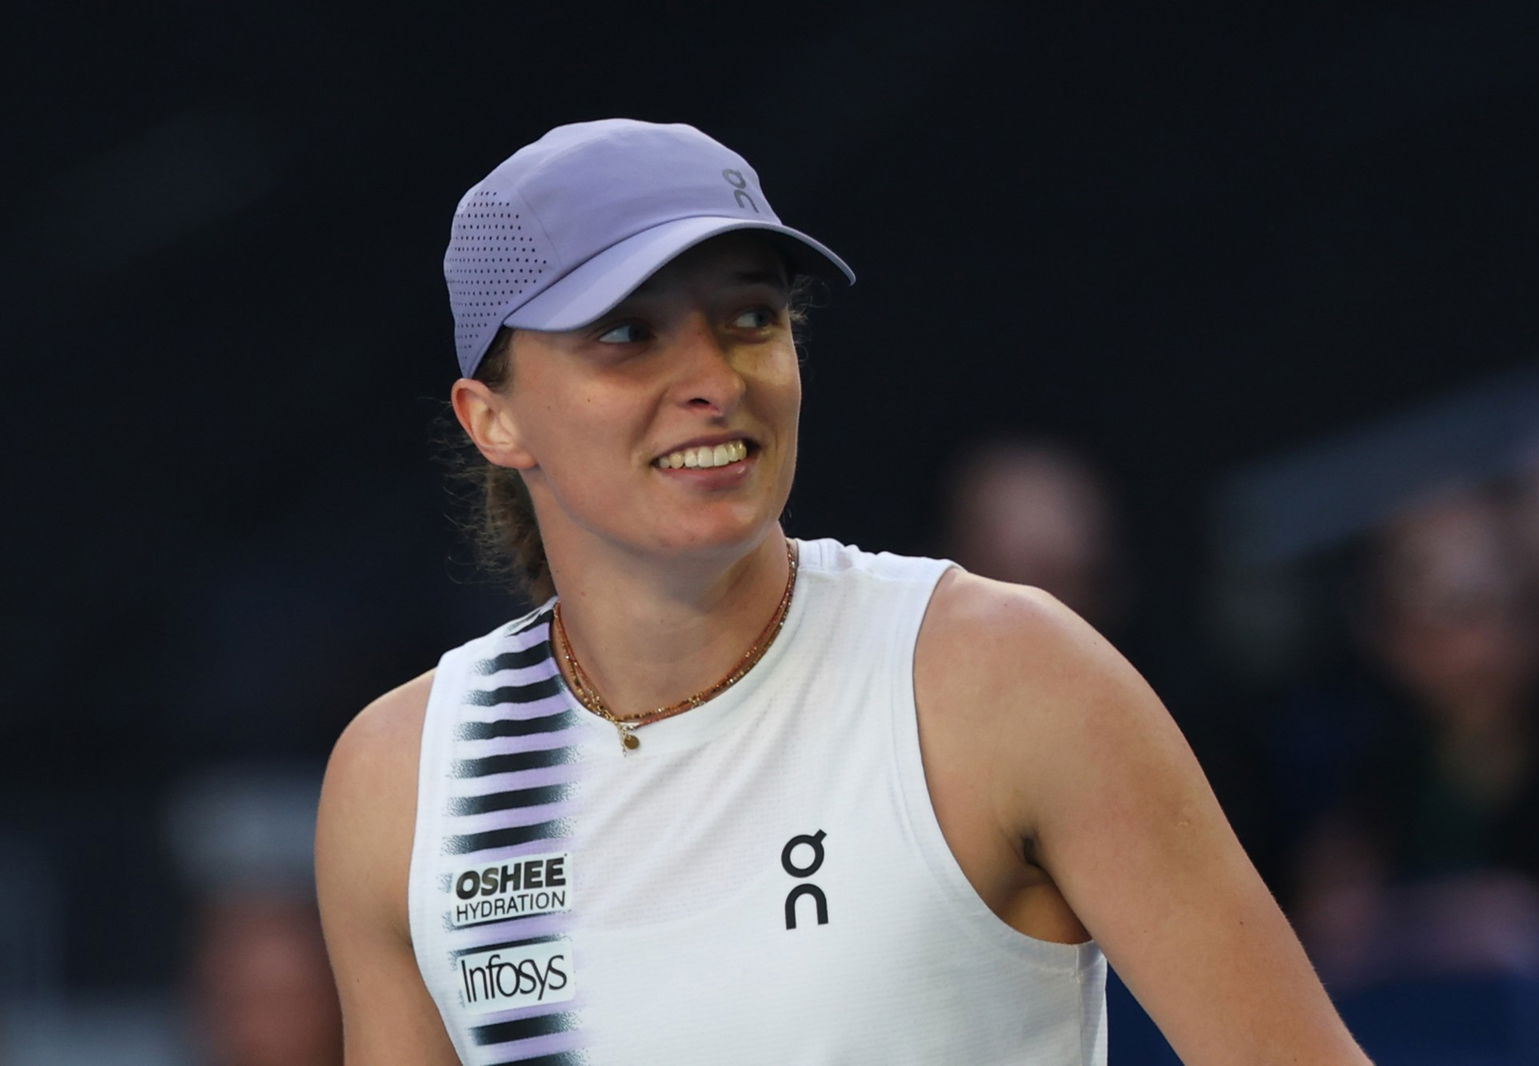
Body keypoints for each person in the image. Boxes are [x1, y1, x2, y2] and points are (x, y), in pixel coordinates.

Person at [315, 118, 1369, 1065]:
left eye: (749, 318)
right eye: (628, 334)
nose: (716, 379)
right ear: (490, 418)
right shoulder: (401, 780)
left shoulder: (1002, 675)